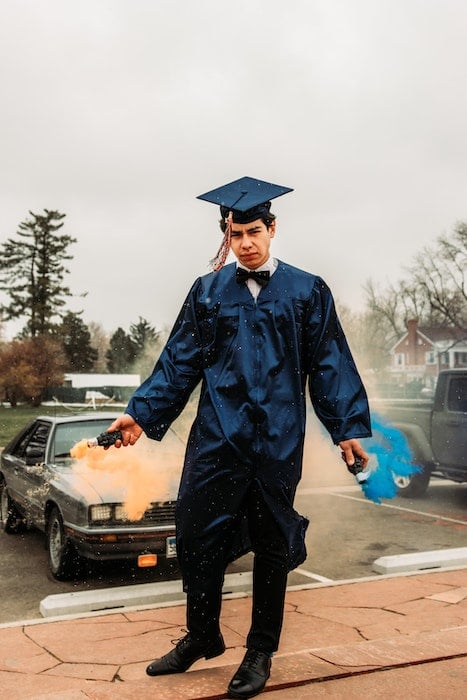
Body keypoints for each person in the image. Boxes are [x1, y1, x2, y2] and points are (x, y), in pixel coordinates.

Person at [108, 176, 371, 699]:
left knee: (272, 543)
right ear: (225, 236)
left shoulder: (306, 290)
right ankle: (203, 635)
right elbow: (179, 363)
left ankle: (259, 650)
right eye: (236, 234)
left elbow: (329, 363)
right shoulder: (207, 292)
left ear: (273, 229)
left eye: (254, 231)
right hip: (216, 438)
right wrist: (139, 414)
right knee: (197, 536)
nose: (246, 242)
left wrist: (348, 429)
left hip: (276, 441)